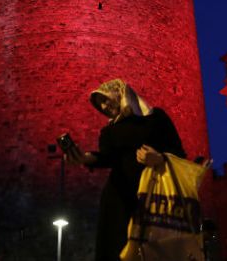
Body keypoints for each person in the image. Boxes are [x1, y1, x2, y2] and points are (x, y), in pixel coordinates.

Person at [66, 78, 186, 261]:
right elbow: (107, 158)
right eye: (100, 105)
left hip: (153, 194)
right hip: (119, 197)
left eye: (106, 100)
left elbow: (179, 152)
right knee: (116, 249)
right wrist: (84, 158)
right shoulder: (109, 130)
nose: (104, 107)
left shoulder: (156, 118)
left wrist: (159, 158)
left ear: (120, 94)